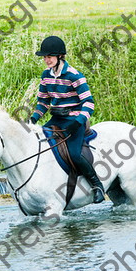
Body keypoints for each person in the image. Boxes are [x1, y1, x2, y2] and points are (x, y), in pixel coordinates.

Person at [30, 36, 105, 204]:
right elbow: (43, 102)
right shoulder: (45, 75)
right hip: (56, 119)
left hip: (74, 121)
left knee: (74, 154)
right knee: (39, 145)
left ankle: (97, 185)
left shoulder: (74, 75)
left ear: (60, 56)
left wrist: (78, 122)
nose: (46, 60)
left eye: (49, 56)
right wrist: (34, 118)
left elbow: (89, 103)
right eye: (44, 57)